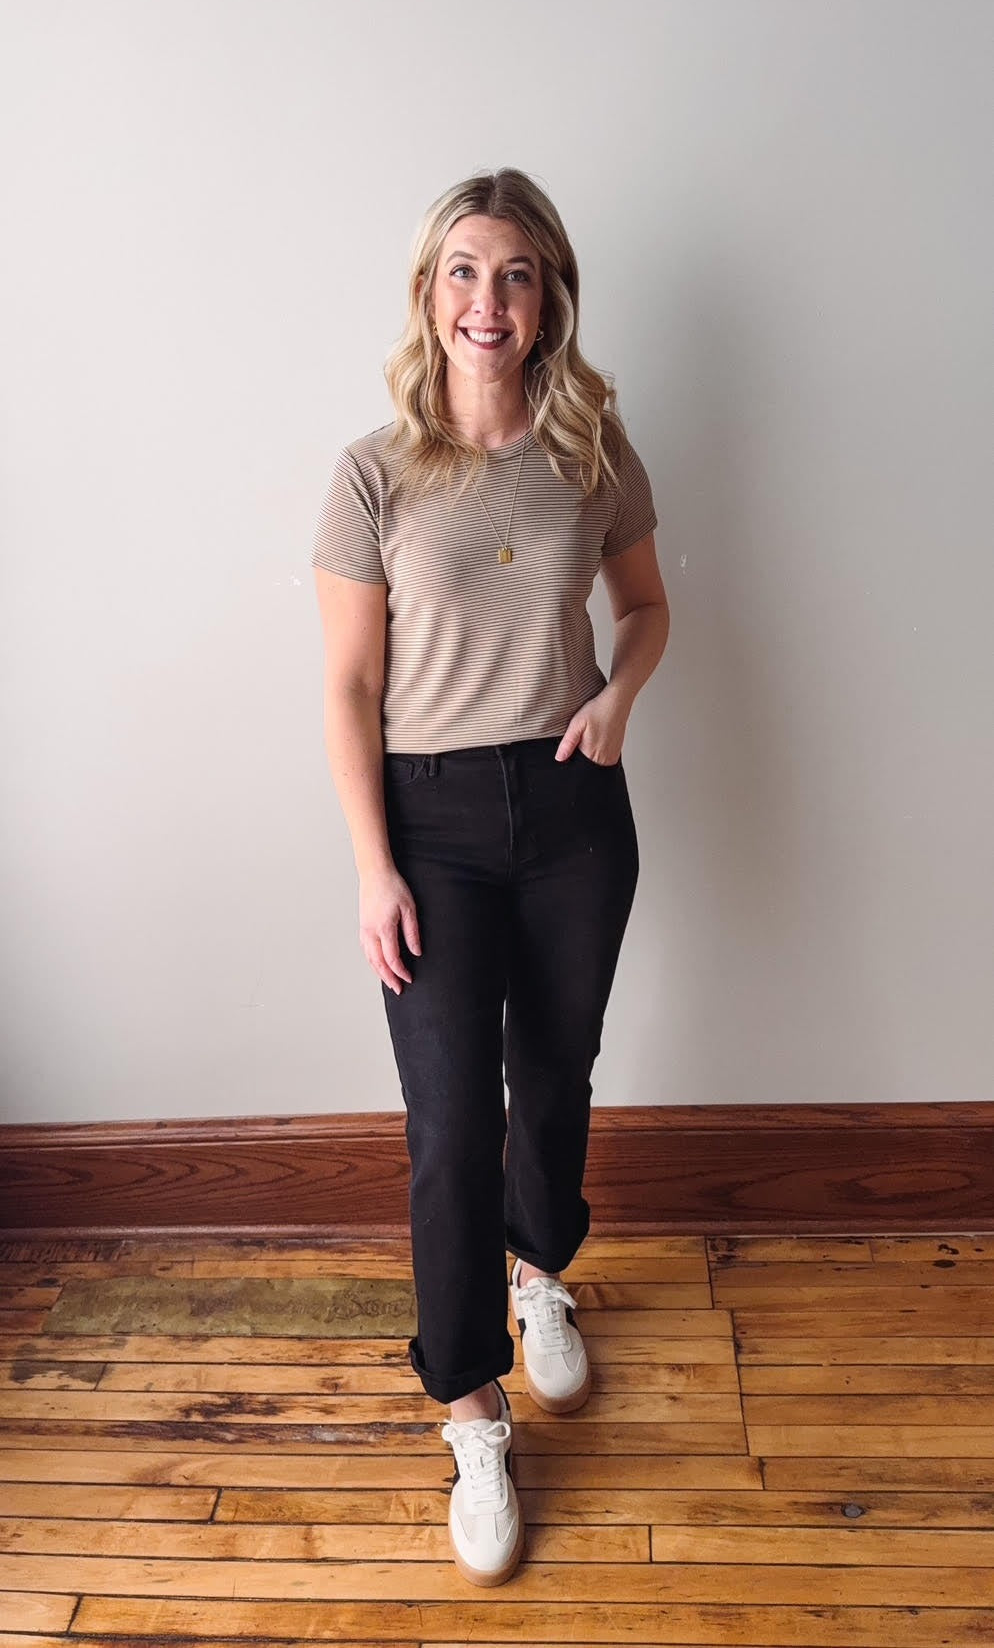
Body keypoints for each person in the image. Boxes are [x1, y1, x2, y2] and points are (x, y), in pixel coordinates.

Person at [311, 166, 669, 1586]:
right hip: (432, 822)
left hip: (576, 803)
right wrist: (369, 865)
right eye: (463, 271)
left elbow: (645, 608)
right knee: (451, 1119)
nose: (487, 300)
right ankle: (468, 1400)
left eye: (514, 273)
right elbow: (345, 687)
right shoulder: (372, 471)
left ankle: (540, 1270)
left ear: (549, 295)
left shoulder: (592, 445)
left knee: (560, 1068)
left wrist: (619, 696)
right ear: (428, 293)